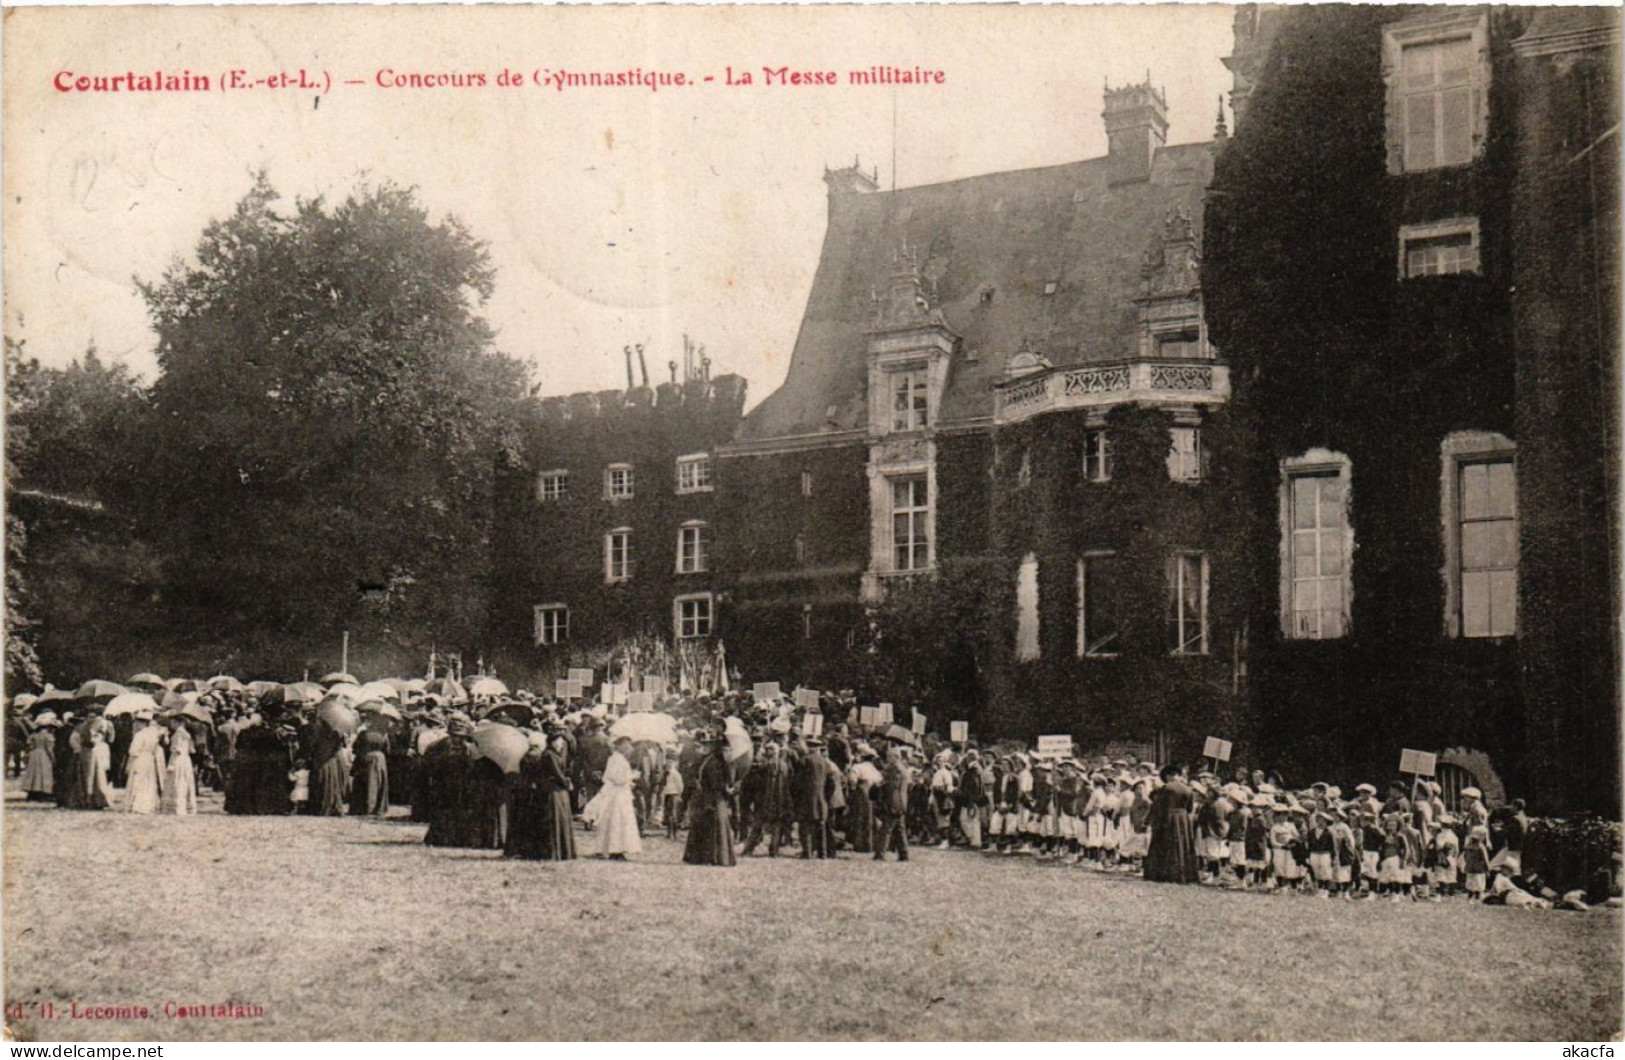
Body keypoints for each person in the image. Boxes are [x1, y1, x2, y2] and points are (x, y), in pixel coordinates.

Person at [506, 729, 576, 861]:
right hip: (546, 790)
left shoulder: (537, 754)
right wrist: (567, 783)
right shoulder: (547, 755)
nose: (561, 744)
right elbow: (555, 773)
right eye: (559, 741)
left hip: (534, 790)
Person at [683, 732, 738, 866]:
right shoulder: (705, 759)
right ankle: (701, 857)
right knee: (704, 825)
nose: (705, 746)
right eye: (705, 744)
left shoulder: (719, 761)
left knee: (714, 826)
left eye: (709, 744)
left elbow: (721, 781)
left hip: (714, 797)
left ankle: (716, 857)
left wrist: (726, 790)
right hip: (706, 796)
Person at [1143, 764, 1198, 884]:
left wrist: (1152, 821)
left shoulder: (1165, 789)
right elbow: (1189, 808)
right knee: (1183, 845)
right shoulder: (1187, 789)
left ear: (1168, 776)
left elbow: (1158, 806)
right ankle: (1183, 873)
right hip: (1183, 819)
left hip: (1167, 818)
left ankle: (1164, 873)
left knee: (1165, 845)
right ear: (1178, 776)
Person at [591, 736, 642, 860]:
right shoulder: (615, 759)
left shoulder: (620, 759)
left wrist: (629, 780)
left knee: (619, 820)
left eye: (628, 745)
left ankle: (616, 849)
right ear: (620, 746)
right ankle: (615, 850)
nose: (628, 748)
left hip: (621, 793)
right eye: (626, 745)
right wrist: (632, 776)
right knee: (617, 820)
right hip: (617, 795)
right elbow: (617, 778)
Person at [872, 741, 911, 862]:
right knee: (900, 830)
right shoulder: (898, 768)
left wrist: (881, 783)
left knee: (886, 829)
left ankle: (880, 854)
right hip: (900, 802)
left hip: (894, 802)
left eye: (889, 756)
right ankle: (904, 854)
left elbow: (893, 787)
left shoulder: (897, 769)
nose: (887, 758)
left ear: (896, 757)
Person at [791, 736, 829, 859]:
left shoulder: (804, 760)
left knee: (805, 825)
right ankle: (823, 853)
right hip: (821, 797)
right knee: (820, 826)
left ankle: (807, 852)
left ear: (809, 747)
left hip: (806, 797)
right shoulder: (824, 761)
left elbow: (798, 781)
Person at [349, 726, 391, 817]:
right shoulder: (383, 734)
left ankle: (366, 807)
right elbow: (387, 749)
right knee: (379, 782)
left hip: (367, 758)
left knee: (369, 783)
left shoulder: (363, 734)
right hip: (380, 759)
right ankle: (378, 807)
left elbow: (355, 747)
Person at [163, 714, 199, 816]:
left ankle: (177, 807)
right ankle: (184, 805)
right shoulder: (187, 734)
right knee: (184, 781)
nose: (171, 725)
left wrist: (172, 763)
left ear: (178, 723)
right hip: (186, 759)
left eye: (173, 723)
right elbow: (192, 750)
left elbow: (177, 750)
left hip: (178, 759)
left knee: (177, 781)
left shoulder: (178, 734)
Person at [80, 720, 115, 810]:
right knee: (94, 780)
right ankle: (93, 799)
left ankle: (97, 800)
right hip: (95, 762)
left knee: (98, 781)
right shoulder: (98, 744)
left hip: (98, 763)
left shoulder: (102, 744)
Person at [23, 713, 58, 801]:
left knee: (34, 773)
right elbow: (49, 749)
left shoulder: (34, 735)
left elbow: (29, 745)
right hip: (44, 755)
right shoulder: (48, 736)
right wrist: (53, 759)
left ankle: (32, 793)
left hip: (34, 754)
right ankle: (42, 793)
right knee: (44, 773)